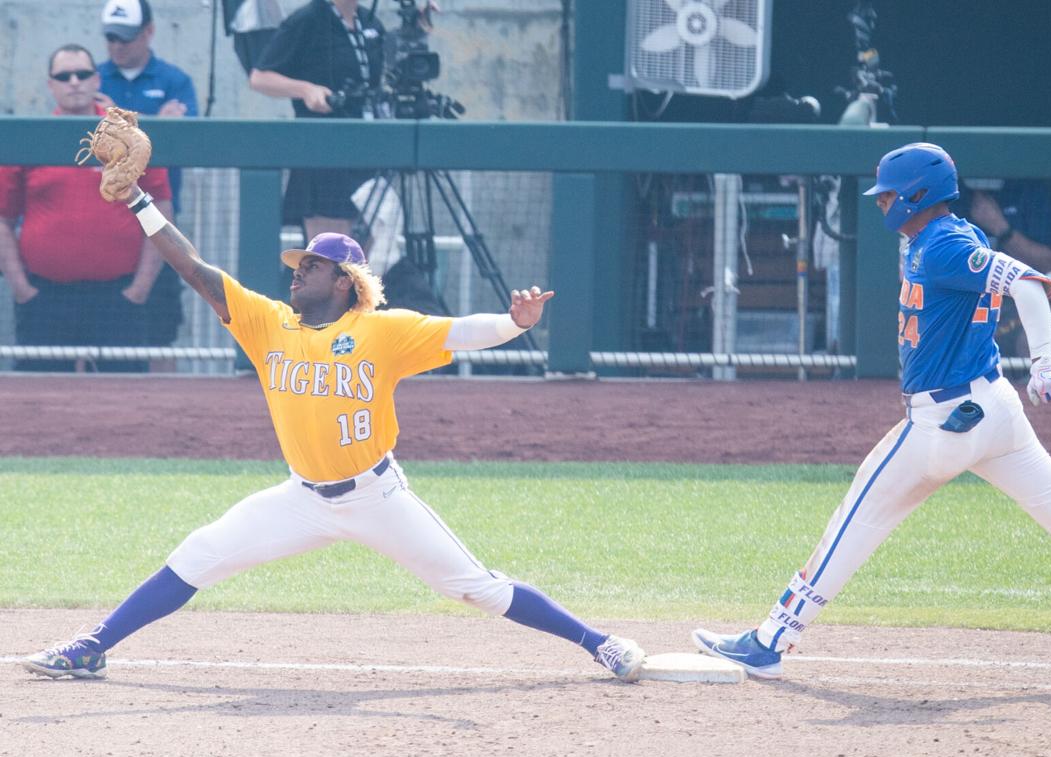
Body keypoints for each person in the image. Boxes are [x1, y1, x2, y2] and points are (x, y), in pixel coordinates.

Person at [21, 133, 646, 682]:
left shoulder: (383, 330)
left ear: (345, 278)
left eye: (312, 265)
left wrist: (515, 323)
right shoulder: (268, 323)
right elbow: (195, 268)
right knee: (197, 554)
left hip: (377, 498)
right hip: (300, 498)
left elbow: (461, 331)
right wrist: (139, 203)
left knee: (475, 587)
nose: (298, 272)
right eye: (299, 263)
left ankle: (602, 644)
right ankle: (93, 647)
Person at [691, 143, 1051, 679]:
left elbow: (1031, 285)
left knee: (851, 525)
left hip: (942, 423)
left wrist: (1043, 362)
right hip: (995, 410)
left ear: (918, 196)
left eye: (890, 195)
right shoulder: (949, 236)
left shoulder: (944, 244)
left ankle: (769, 640)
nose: (882, 204)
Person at [0, 44, 172, 372]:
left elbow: (159, 212)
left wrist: (139, 289)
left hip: (118, 296)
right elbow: (3, 220)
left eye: (82, 74)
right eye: (64, 76)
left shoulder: (130, 139)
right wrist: (22, 289)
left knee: (124, 398)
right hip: (45, 297)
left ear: (97, 79)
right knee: (42, 397)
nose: (74, 81)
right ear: (51, 85)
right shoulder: (28, 138)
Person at [98, 0, 200, 354]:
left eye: (125, 38)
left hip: (161, 215)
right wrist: (156, 119)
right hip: (109, 222)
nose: (117, 46)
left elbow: (187, 142)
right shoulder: (93, 77)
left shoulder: (175, 80)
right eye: (111, 37)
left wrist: (123, 121)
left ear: (149, 32)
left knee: (161, 332)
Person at [248, 0, 388, 242]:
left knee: (373, 252)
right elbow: (260, 78)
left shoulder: (370, 20)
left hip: (368, 147)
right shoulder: (307, 20)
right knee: (332, 258)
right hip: (324, 151)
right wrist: (305, 90)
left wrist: (416, 28)